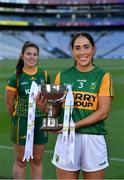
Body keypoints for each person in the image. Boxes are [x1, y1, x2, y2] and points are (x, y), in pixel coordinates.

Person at [52, 32, 114, 179]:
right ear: (73, 51)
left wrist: (74, 126)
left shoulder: (103, 76)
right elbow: (54, 112)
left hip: (93, 138)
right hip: (66, 139)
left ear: (93, 49)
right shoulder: (62, 76)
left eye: (86, 47)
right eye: (77, 48)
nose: (82, 52)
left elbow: (103, 112)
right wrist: (44, 107)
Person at [5, 41, 50, 179]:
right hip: (22, 121)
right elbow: (9, 104)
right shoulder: (16, 77)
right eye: (29, 54)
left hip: (41, 121)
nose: (32, 57)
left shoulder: (45, 75)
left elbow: (48, 100)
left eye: (35, 54)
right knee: (21, 161)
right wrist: (18, 117)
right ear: (22, 56)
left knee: (37, 160)